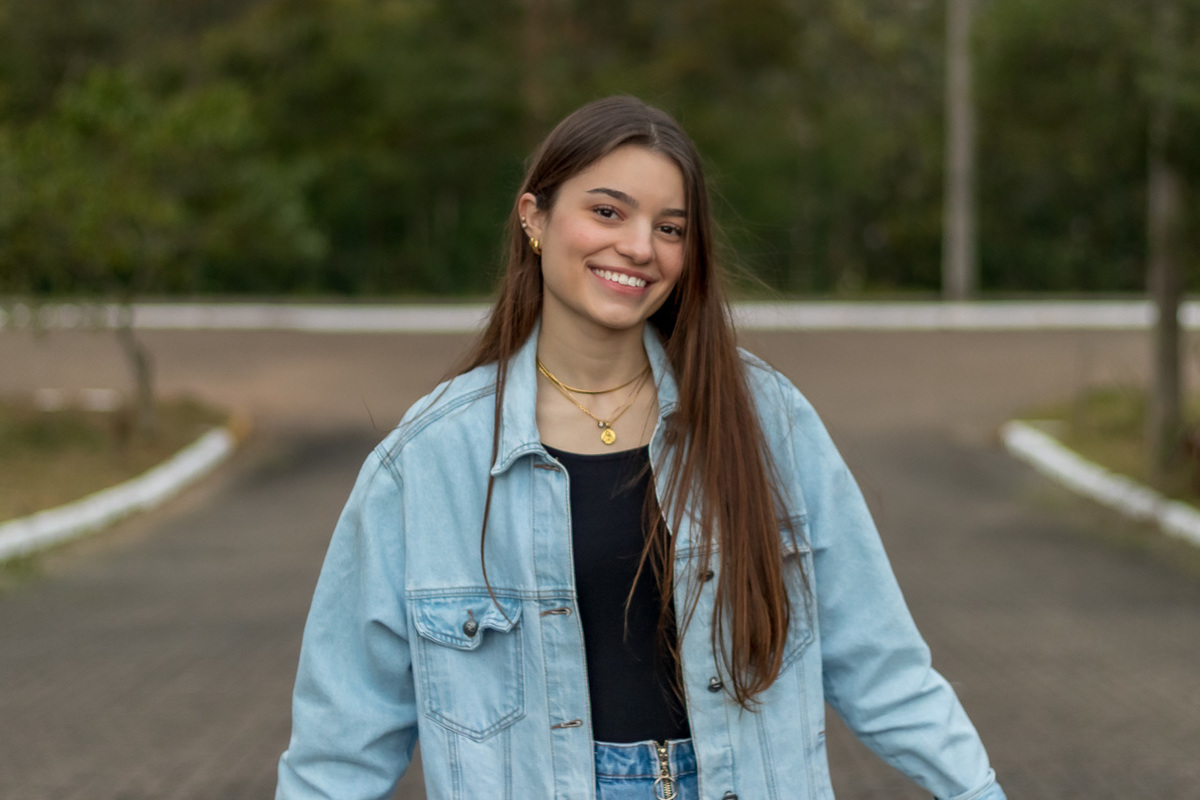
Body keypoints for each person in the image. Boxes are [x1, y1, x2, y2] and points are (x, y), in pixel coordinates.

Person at [275, 95, 1006, 800]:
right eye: (607, 211)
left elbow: (882, 667)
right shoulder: (427, 462)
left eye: (670, 227)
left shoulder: (766, 419)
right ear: (534, 217)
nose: (638, 247)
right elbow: (342, 742)